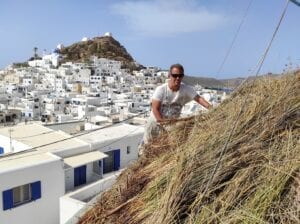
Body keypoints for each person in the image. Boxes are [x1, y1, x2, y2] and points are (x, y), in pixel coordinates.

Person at [140, 63, 212, 152]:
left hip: (170, 125)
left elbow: (199, 99)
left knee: (164, 151)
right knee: (148, 149)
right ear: (169, 75)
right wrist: (164, 124)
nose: (178, 78)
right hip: (155, 124)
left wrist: (211, 109)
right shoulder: (161, 90)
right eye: (175, 75)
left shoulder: (186, 89)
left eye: (180, 75)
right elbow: (155, 108)